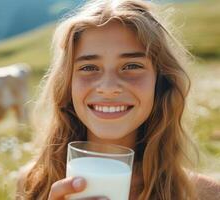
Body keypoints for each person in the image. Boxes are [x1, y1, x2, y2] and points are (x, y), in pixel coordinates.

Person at [16, 0, 220, 199]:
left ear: (161, 81)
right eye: (89, 68)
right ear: (68, 85)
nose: (108, 88)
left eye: (131, 66)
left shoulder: (205, 194)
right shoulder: (33, 182)